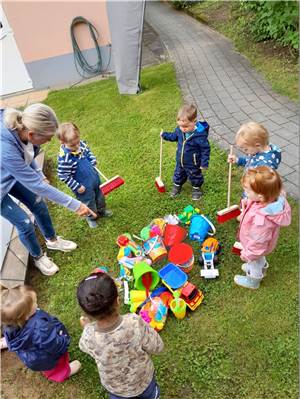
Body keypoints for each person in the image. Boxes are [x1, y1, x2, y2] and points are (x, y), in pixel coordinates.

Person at [0, 104, 96, 276]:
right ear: (31, 134)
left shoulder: (22, 124)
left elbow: (26, 152)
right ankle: (38, 257)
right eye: (48, 137)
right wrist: (76, 205)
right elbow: (36, 185)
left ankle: (52, 241)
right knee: (24, 223)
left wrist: (38, 171)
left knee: (39, 204)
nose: (50, 141)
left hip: (10, 170)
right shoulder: (5, 148)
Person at [77, 271, 164, 399]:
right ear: (118, 301)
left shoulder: (89, 336)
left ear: (87, 313)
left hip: (116, 388)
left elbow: (84, 347)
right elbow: (158, 346)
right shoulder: (134, 323)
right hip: (143, 380)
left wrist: (86, 327)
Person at [1, 285, 81, 382]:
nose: (36, 302)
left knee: (46, 367)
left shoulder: (9, 325)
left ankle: (49, 369)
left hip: (34, 358)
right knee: (55, 366)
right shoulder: (39, 329)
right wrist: (63, 340)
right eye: (34, 302)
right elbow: (54, 346)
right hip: (47, 357)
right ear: (25, 316)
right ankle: (64, 373)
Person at [234, 166, 291, 290]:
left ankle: (253, 281)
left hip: (256, 247)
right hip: (261, 246)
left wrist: (248, 254)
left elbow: (258, 243)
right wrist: (248, 201)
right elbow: (255, 201)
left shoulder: (261, 221)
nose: (246, 194)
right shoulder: (269, 198)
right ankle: (263, 266)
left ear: (260, 197)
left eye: (248, 192)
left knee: (254, 261)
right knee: (258, 258)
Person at [57, 123, 112, 228]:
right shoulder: (65, 158)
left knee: (99, 196)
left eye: (78, 142)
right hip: (83, 187)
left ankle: (101, 210)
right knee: (89, 202)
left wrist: (93, 160)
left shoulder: (80, 144)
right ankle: (91, 217)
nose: (77, 146)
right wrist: (77, 186)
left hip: (93, 179)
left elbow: (88, 152)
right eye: (73, 145)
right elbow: (63, 175)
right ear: (63, 142)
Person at [161, 104, 210, 201]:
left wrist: (204, 163)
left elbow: (205, 149)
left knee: (194, 174)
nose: (183, 129)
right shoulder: (180, 131)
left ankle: (196, 188)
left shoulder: (200, 135)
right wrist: (164, 135)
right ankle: (177, 185)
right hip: (180, 160)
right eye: (180, 126)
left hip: (193, 162)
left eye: (186, 126)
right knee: (178, 173)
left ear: (194, 122)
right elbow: (174, 136)